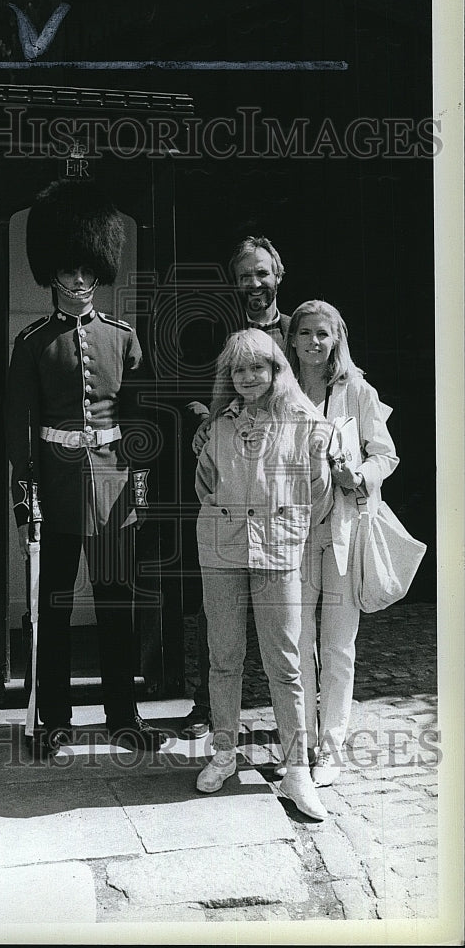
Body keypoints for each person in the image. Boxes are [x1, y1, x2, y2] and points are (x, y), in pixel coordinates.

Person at [6, 178, 164, 755]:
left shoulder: (122, 339)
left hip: (116, 490)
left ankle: (123, 714)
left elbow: (142, 427)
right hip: (54, 488)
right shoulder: (31, 343)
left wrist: (139, 490)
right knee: (50, 609)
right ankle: (53, 719)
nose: (77, 281)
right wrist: (26, 501)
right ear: (51, 274)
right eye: (67, 271)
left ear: (98, 272)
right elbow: (17, 432)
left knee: (117, 605)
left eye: (86, 271)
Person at [194, 328, 332, 820]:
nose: (248, 377)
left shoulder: (303, 422)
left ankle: (297, 769)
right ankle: (224, 752)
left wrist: (287, 518)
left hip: (279, 551)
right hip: (222, 550)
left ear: (276, 371)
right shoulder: (220, 426)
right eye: (238, 369)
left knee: (287, 663)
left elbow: (318, 495)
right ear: (228, 377)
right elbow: (206, 487)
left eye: (258, 367)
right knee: (224, 657)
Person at [182, 235, 292, 739]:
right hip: (230, 482)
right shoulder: (219, 334)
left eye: (262, 274)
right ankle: (211, 711)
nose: (254, 283)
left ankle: (296, 727)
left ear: (278, 276)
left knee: (290, 629)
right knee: (221, 617)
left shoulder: (298, 331)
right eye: (245, 275)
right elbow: (190, 392)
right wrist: (207, 417)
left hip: (281, 491)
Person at [286, 300, 399, 787]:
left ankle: (329, 747)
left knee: (336, 645)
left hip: (343, 533)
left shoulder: (356, 390)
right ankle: (299, 743)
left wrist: (361, 475)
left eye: (323, 335)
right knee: (294, 643)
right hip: (291, 533)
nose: (314, 342)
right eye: (305, 333)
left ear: (337, 340)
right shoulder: (279, 389)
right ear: (291, 339)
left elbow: (386, 454)